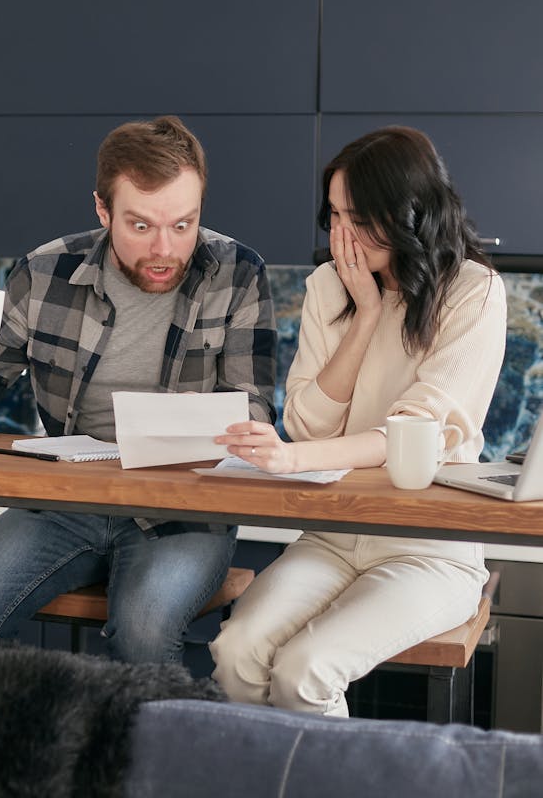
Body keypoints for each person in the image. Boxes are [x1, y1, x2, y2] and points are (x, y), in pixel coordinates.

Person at [0, 115, 277, 663]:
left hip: (184, 506)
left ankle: (161, 751)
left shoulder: (237, 272)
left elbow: (254, 408)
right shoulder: (45, 273)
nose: (164, 248)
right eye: (140, 226)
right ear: (102, 209)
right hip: (67, 499)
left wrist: (200, 419)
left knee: (142, 633)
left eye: (183, 225)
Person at [210, 125, 507, 716]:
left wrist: (290, 460)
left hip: (430, 547)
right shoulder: (330, 287)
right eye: (335, 215)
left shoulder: (475, 292)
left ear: (409, 214)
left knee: (305, 671)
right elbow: (310, 425)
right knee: (236, 653)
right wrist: (365, 313)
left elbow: (411, 436)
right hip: (334, 531)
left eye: (359, 217)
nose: (341, 234)